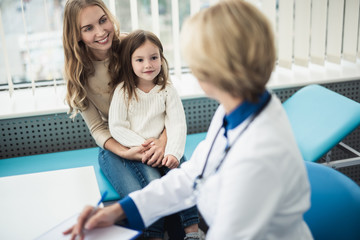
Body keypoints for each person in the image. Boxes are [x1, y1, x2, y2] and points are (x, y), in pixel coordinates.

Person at [65, 0, 313, 239]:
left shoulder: (257, 157)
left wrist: (164, 143)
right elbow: (192, 173)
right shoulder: (239, 108)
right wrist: (117, 211)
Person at [62, 0, 186, 239]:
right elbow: (98, 127)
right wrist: (126, 151)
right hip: (116, 145)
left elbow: (165, 96)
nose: (100, 32)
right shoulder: (78, 71)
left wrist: (162, 141)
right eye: (88, 28)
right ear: (75, 35)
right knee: (140, 199)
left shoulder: (132, 45)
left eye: (102, 20)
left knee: (174, 185)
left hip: (158, 136)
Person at [108, 29, 201, 239]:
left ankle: (192, 233)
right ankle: (155, 235)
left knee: (184, 179)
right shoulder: (123, 91)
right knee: (152, 188)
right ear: (129, 63)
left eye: (153, 58)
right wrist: (146, 147)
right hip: (142, 151)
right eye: (139, 60)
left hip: (166, 147)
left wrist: (174, 153)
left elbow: (176, 122)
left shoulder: (167, 89)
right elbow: (117, 127)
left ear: (161, 58)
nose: (148, 65)